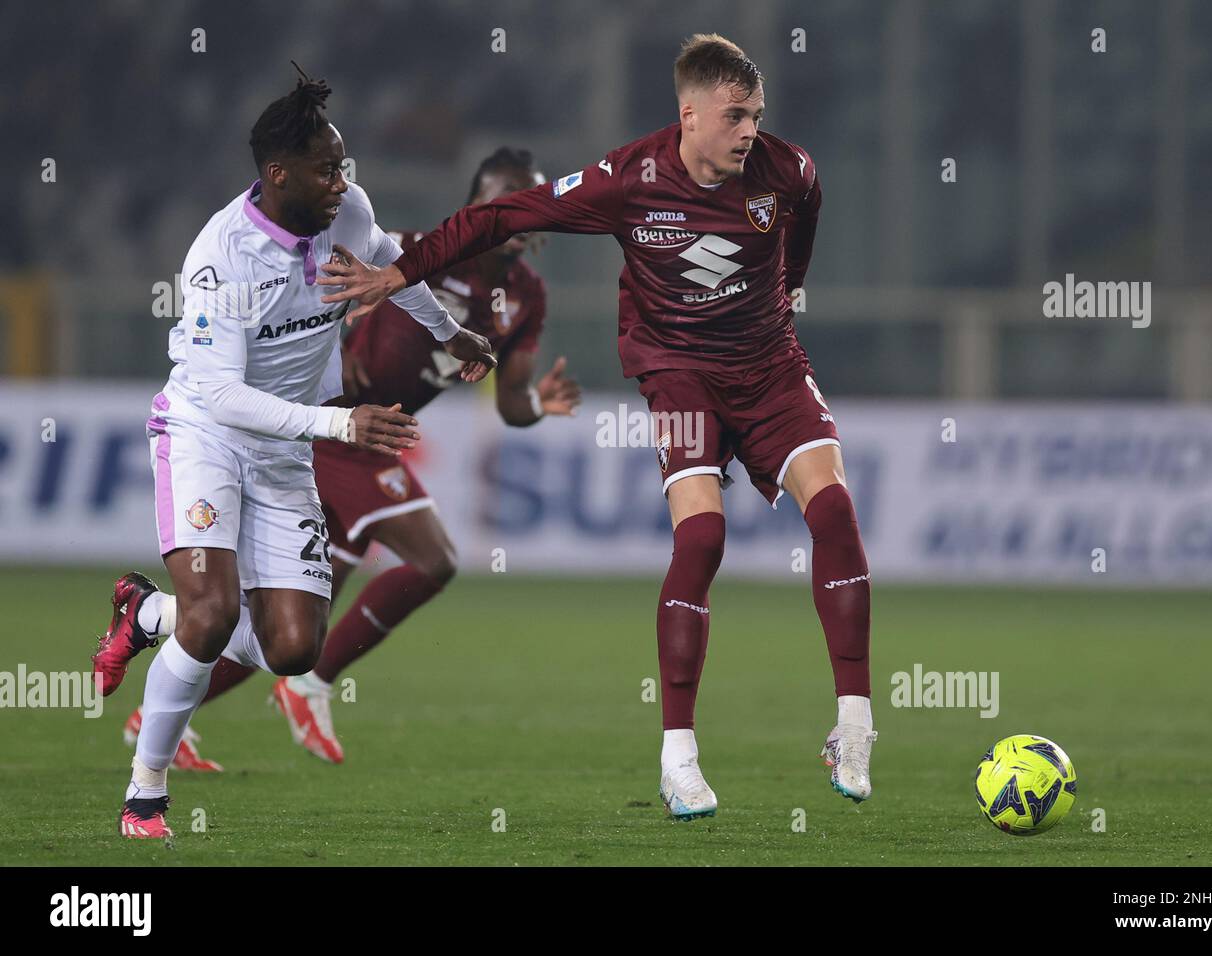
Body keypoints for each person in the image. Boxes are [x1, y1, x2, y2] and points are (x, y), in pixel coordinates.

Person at [317, 35, 877, 821]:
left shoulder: (789, 172)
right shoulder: (628, 179)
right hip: (680, 372)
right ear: (690, 114)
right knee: (702, 542)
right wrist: (399, 273)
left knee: (837, 513)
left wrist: (786, 293)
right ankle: (678, 757)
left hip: (771, 366)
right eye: (735, 115)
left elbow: (804, 223)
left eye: (756, 114)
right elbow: (505, 213)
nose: (750, 129)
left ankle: (855, 725)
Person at [93, 67, 495, 838]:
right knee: (212, 618)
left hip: (283, 454)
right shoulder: (221, 260)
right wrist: (341, 425)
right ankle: (145, 793)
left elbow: (385, 269)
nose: (341, 181)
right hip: (208, 436)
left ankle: (148, 614)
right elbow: (222, 395)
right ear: (279, 174)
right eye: (326, 167)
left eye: (342, 164)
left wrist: (451, 330)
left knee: (290, 647)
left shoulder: (349, 211)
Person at [121, 148, 581, 768]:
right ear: (475, 206)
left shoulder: (526, 296)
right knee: (434, 557)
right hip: (337, 428)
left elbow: (513, 402)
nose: (514, 218)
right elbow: (314, 286)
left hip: (369, 434)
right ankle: (306, 687)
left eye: (525, 205)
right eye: (501, 203)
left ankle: (159, 698)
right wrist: (339, 338)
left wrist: (537, 403)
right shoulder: (416, 248)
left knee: (289, 628)